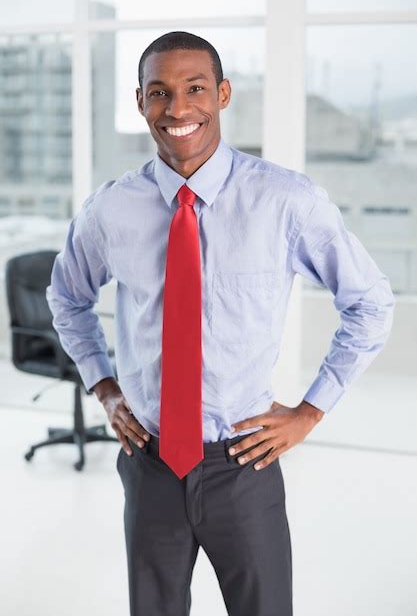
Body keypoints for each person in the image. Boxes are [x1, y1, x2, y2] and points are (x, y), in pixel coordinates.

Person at [46, 30, 395, 616]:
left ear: (224, 93)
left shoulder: (287, 202)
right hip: (150, 463)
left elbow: (370, 302)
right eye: (159, 92)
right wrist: (104, 391)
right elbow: (66, 296)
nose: (178, 109)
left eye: (195, 89)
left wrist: (309, 412)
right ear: (139, 102)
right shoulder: (110, 209)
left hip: (244, 465)